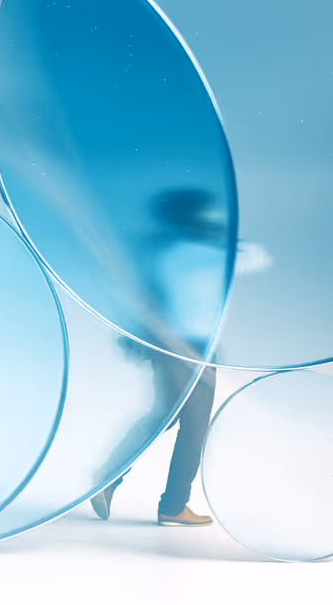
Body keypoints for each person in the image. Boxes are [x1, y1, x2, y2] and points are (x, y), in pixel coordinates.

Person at [91, 188, 226, 527]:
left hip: (195, 347)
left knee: (180, 420)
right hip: (181, 346)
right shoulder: (191, 251)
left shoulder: (168, 249)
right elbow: (255, 256)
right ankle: (122, 481)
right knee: (176, 419)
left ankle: (167, 502)